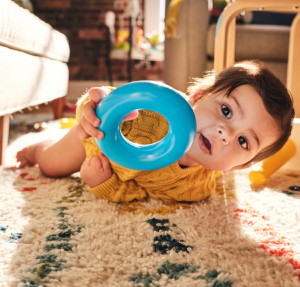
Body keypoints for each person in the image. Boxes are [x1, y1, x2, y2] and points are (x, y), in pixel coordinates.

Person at [16, 60, 294, 202]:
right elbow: (114, 103)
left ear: (237, 167)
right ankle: (38, 147)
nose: (226, 134)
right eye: (226, 111)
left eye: (244, 141)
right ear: (197, 96)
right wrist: (97, 105)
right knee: (50, 164)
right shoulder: (158, 114)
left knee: (62, 169)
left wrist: (101, 184)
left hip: (103, 166)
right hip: (96, 139)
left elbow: (138, 193)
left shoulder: (194, 190)